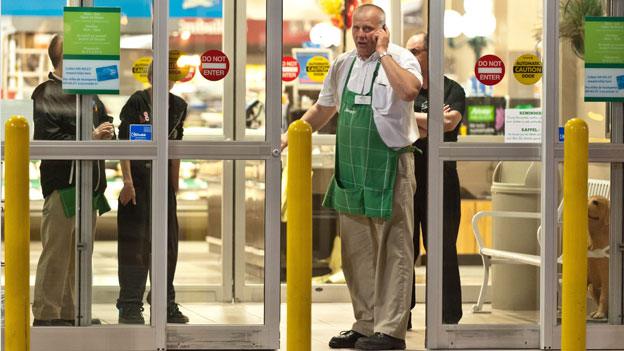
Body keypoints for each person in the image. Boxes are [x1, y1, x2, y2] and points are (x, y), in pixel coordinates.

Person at [282, 5, 421, 350]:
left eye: (369, 29)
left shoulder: (402, 59)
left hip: (390, 165)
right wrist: (291, 136)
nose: (362, 34)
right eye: (357, 28)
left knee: (393, 249)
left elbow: (408, 92)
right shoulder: (342, 64)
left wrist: (384, 53)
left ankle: (391, 331)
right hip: (352, 167)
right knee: (356, 252)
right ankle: (366, 323)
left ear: (383, 31)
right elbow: (324, 108)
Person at [32, 34, 115, 326]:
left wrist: (107, 133)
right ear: (63, 58)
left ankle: (72, 312)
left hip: (89, 185)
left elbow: (105, 124)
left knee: (80, 254)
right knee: (56, 252)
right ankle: (46, 314)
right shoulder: (46, 92)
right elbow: (47, 139)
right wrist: (90, 137)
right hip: (63, 186)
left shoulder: (90, 95)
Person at [116, 63, 189, 324]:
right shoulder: (136, 102)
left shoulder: (178, 106)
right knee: (135, 245)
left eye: (169, 77)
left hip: (162, 185)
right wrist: (127, 181)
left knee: (168, 245)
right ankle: (130, 305)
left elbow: (176, 146)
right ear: (149, 78)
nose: (165, 81)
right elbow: (123, 143)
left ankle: (164, 301)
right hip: (137, 183)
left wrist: (174, 185)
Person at [405, 33, 465, 327]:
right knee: (404, 249)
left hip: (442, 180)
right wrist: (427, 118)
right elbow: (393, 117)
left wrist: (411, 117)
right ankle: (400, 316)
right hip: (407, 178)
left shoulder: (451, 89)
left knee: (442, 247)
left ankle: (447, 319)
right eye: (408, 51)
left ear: (432, 53)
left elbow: (449, 121)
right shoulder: (405, 89)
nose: (410, 56)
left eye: (416, 50)